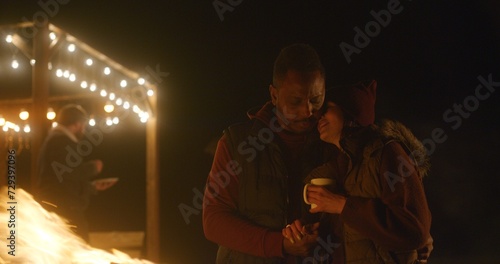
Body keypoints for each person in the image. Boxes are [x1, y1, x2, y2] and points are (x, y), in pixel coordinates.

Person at [203, 43, 336, 263]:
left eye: (316, 100)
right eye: (295, 101)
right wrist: (279, 244)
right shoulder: (237, 144)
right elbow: (214, 221)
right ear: (273, 95)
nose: (308, 111)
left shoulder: (331, 145)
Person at [283, 80, 434, 263]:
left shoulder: (387, 153)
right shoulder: (340, 165)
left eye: (328, 107)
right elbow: (356, 236)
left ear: (351, 112)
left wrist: (342, 205)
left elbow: (414, 232)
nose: (319, 116)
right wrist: (317, 234)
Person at [36, 104, 116, 241]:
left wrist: (92, 187)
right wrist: (92, 168)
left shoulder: (56, 140)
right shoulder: (61, 141)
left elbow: (64, 179)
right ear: (78, 124)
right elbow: (67, 174)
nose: (84, 130)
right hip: (64, 211)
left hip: (59, 208)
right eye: (83, 126)